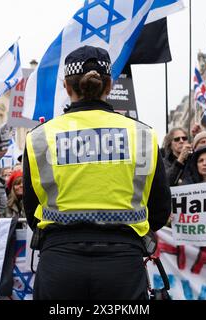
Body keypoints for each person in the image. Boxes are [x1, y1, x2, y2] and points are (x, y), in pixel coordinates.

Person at [23, 46, 171, 300]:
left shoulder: (39, 137)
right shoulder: (143, 135)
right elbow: (159, 209)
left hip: (59, 263)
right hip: (122, 264)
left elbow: (31, 210)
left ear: (67, 88)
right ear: (110, 85)